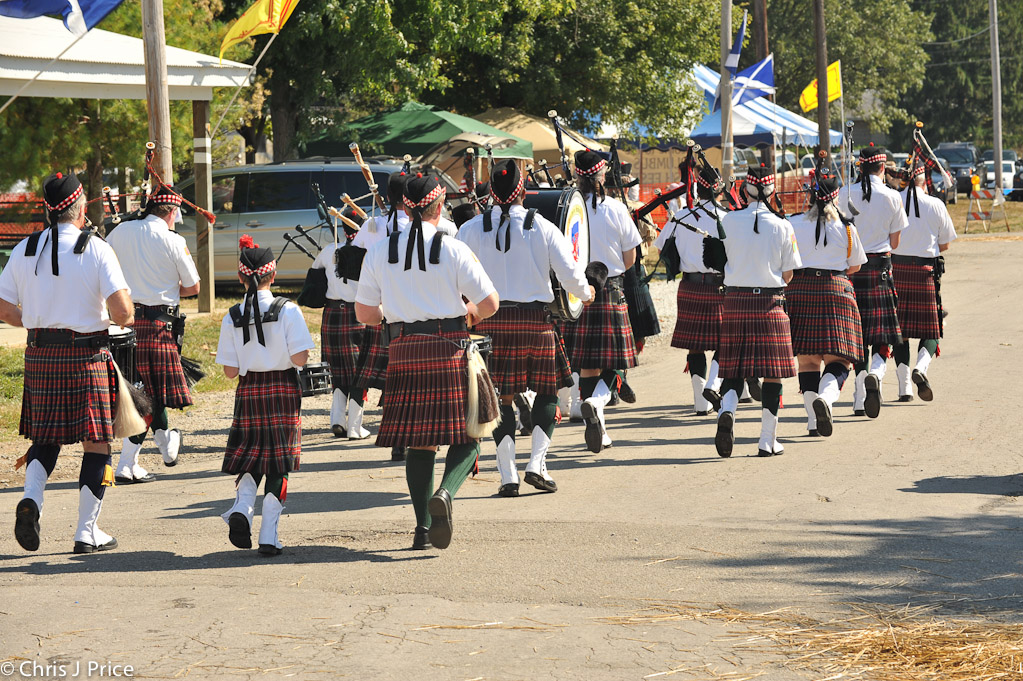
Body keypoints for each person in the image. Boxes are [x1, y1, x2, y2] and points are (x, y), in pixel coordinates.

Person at [355, 172, 499, 550]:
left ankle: (422, 528)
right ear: (440, 206)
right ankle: (446, 494)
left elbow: (365, 314)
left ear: (405, 208)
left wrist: (393, 314)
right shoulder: (453, 248)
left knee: (420, 444)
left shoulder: (378, 251)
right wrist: (469, 315)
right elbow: (490, 304)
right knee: (470, 435)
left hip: (403, 350)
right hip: (449, 347)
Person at [0, 172, 133, 553]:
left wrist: (35, 320)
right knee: (97, 443)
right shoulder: (97, 249)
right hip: (86, 356)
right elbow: (123, 313)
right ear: (81, 208)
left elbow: (3, 307)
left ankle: (32, 500)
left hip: (40, 355)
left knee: (45, 437)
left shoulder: (24, 249)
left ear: (48, 209)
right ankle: (86, 532)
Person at [457, 159, 594, 496]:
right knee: (548, 392)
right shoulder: (543, 227)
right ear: (524, 192)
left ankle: (508, 475)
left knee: (499, 397)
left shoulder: (469, 230)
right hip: (535, 321)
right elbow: (571, 275)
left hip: (488, 323)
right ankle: (537, 464)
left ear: (491, 193)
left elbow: (454, 279)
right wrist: (586, 293)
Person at [217, 236, 315, 556]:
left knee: (251, 456)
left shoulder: (231, 315)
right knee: (278, 462)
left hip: (248, 390)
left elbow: (230, 371)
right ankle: (269, 536)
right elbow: (300, 359)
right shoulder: (288, 310)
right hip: (283, 389)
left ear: (240, 277)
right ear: (273, 275)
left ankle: (243, 507)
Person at [105, 185, 200, 482]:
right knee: (149, 394)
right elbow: (193, 287)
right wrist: (166, 287)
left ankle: (164, 445)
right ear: (172, 212)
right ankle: (131, 461)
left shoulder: (119, 232)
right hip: (159, 325)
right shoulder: (173, 240)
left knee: (141, 391)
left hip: (123, 323)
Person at [707, 164, 802, 457]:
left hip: (735, 301)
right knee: (772, 374)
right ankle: (767, 441)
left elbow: (718, 261)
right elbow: (788, 274)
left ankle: (728, 410)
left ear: (745, 191)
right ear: (772, 192)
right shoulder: (783, 225)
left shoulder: (728, 220)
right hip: (770, 304)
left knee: (734, 368)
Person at [562, 150, 642, 453]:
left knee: (587, 366)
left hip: (577, 292)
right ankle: (596, 402)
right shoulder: (617, 209)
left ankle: (601, 430)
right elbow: (630, 258)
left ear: (577, 176)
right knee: (616, 363)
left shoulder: (567, 209)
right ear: (602, 175)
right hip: (610, 288)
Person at [787, 174, 867, 437]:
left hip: (800, 291)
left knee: (808, 361)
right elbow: (855, 266)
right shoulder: (847, 228)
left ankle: (813, 421)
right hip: (836, 290)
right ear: (836, 199)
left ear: (810, 198)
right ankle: (826, 398)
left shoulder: (792, 223)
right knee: (839, 359)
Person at [655, 164, 728, 416]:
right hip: (720, 287)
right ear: (719, 190)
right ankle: (712, 386)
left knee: (695, 346)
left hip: (689, 286)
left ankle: (700, 401)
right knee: (725, 341)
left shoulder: (681, 216)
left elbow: (661, 249)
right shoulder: (727, 218)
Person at [848, 144, 905, 418]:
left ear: (861, 166)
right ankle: (877, 373)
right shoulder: (893, 196)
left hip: (851, 270)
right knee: (882, 336)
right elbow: (895, 242)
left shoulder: (845, 193)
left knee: (857, 336)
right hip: (880, 268)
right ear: (883, 167)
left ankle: (860, 399)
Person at [891, 160, 956, 401]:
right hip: (925, 271)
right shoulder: (936, 204)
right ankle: (921, 368)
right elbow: (945, 244)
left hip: (896, 270)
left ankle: (904, 388)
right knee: (932, 328)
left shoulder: (893, 200)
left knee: (900, 331)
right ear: (923, 181)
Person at [310, 209, 370, 440]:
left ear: (343, 229)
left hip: (332, 314)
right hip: (359, 314)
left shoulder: (328, 251)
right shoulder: (369, 252)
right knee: (360, 371)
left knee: (338, 369)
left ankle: (337, 419)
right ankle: (354, 427)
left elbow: (313, 283)